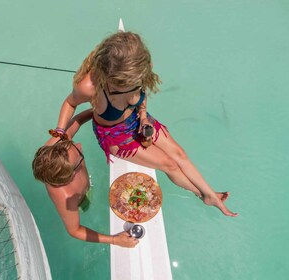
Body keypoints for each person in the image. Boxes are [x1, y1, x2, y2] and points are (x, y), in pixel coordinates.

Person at [53, 31, 238, 217]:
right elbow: (70, 103)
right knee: (170, 164)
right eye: (122, 86)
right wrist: (60, 133)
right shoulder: (89, 87)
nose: (131, 86)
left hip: (138, 119)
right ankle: (204, 195)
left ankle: (210, 194)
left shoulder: (139, 68)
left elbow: (141, 94)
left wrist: (142, 116)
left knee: (179, 153)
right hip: (116, 135)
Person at [32, 109, 139, 248]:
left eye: (72, 144)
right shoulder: (66, 197)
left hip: (74, 175)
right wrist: (114, 240)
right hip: (80, 201)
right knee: (86, 206)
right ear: (71, 175)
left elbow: (79, 119)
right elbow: (74, 230)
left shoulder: (60, 144)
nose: (79, 145)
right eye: (78, 152)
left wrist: (100, 112)